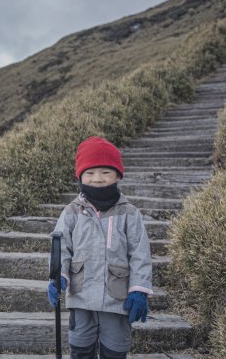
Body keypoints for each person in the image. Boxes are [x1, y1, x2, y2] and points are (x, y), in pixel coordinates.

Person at [47, 136, 153, 359]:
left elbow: (140, 253)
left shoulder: (129, 213)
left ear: (117, 176)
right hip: (81, 293)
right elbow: (62, 246)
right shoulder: (71, 212)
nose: (97, 179)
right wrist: (59, 275)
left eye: (106, 172)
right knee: (80, 345)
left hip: (117, 298)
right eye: (90, 173)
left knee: (115, 348)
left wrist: (139, 289)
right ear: (80, 176)